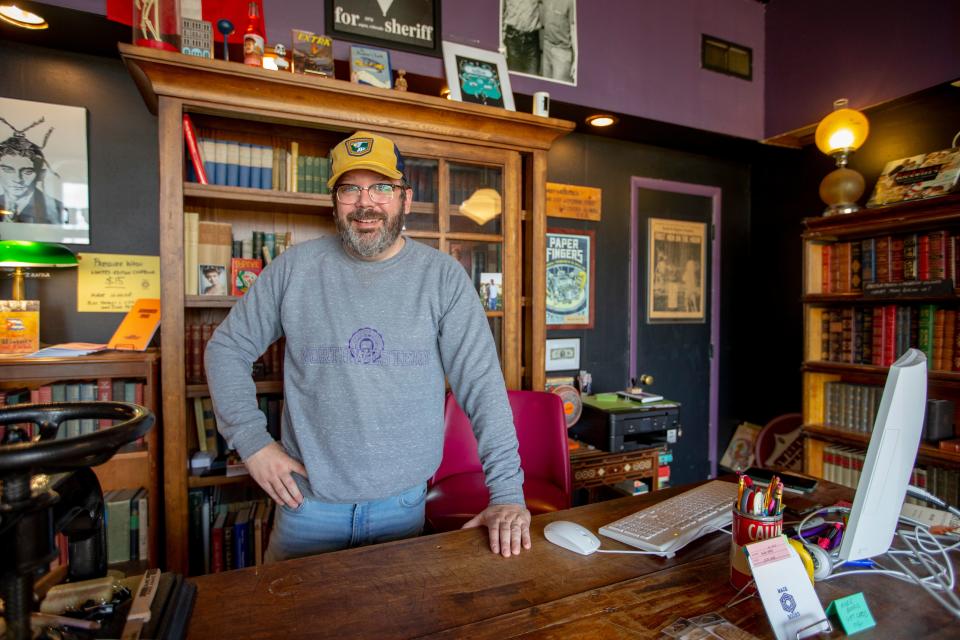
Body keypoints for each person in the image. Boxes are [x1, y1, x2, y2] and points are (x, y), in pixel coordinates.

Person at [205, 131, 531, 562]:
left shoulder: (443, 278)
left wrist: (507, 493)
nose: (366, 202)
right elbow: (226, 348)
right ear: (335, 200)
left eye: (381, 187)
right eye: (350, 188)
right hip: (306, 509)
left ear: (405, 199)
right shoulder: (293, 269)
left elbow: (483, 388)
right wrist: (252, 443)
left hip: (404, 509)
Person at [0, 133, 64, 224]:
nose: (18, 179)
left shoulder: (55, 208)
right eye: (7, 170)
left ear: (40, 175)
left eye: (27, 172)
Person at [501, 0, 541, 75]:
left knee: (532, 80)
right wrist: (501, 39)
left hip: (531, 42)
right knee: (514, 78)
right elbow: (500, 12)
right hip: (512, 41)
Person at [541, 0, 576, 83]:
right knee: (545, 87)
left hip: (562, 51)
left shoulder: (571, 2)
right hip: (547, 46)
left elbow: (574, 30)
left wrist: (576, 59)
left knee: (559, 90)